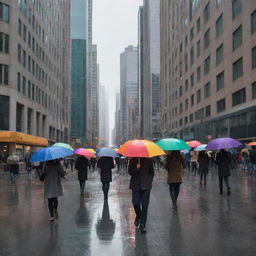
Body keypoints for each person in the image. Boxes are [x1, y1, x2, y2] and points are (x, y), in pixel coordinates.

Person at [128, 157, 154, 233]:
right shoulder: (133, 159)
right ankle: (138, 215)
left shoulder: (149, 159)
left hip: (146, 186)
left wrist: (149, 181)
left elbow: (152, 172)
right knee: (135, 203)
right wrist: (136, 168)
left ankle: (143, 224)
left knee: (145, 205)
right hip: (136, 185)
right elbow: (130, 172)